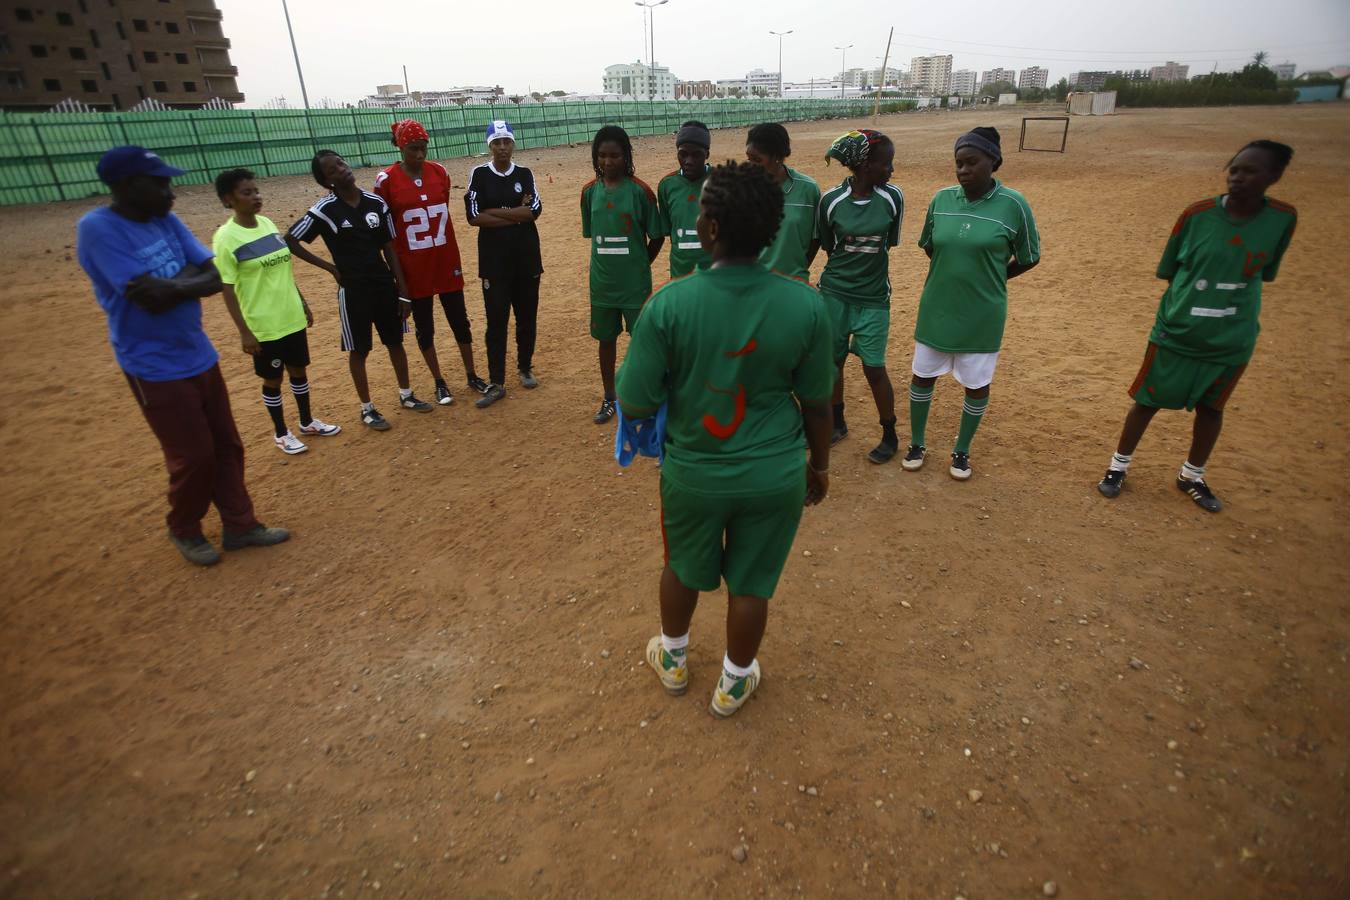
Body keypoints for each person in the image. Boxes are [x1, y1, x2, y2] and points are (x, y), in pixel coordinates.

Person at [617, 161, 834, 719]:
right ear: (772, 230)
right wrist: (820, 467)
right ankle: (734, 684)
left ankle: (672, 660)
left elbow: (636, 400)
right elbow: (817, 403)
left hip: (694, 473)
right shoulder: (806, 304)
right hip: (776, 473)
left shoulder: (668, 304)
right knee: (752, 583)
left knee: (682, 567)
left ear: (709, 229)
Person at [76, 146, 289, 566]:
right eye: (158, 183)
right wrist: (185, 283)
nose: (170, 191)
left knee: (226, 444)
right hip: (152, 364)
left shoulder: (164, 219)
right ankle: (184, 526)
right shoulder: (99, 229)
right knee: (193, 456)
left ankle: (240, 524)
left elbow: (210, 277)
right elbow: (147, 295)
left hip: (197, 352)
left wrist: (171, 286)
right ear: (125, 186)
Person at [1097, 140, 1297, 512]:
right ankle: (1117, 467)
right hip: (1178, 331)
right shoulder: (1197, 215)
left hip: (1232, 339)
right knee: (1146, 402)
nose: (1237, 177)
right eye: (1234, 169)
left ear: (1275, 176)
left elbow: (1265, 272)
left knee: (1212, 408)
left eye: (1250, 171)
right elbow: (1169, 269)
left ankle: (1192, 474)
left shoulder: (1283, 219)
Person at [904, 127, 1039, 480]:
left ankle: (961, 451)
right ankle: (917, 443)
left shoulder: (1014, 205)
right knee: (922, 377)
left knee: (976, 384)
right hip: (937, 307)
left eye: (971, 162)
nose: (963, 170)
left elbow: (1029, 256)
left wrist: (992, 278)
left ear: (993, 161)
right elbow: (930, 245)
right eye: (958, 163)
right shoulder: (941, 200)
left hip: (982, 313)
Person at [286, 150, 433, 431]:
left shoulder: (376, 203)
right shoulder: (324, 210)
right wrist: (329, 268)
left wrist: (402, 292)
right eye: (332, 171)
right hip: (353, 290)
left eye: (340, 163)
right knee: (359, 348)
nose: (341, 170)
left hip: (383, 286)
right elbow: (291, 240)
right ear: (327, 182)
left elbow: (389, 249)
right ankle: (367, 409)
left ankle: (406, 395)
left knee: (395, 342)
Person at [212, 168, 341, 454]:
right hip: (264, 325)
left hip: (290, 315)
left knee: (299, 370)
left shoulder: (268, 224)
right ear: (228, 200)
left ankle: (307, 421)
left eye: (256, 191)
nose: (256, 197)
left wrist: (302, 302)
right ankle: (282, 433)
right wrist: (245, 332)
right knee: (274, 379)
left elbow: (283, 271)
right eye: (247, 193)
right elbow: (228, 289)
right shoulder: (226, 238)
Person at [373, 119, 489, 407]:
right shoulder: (386, 180)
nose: (420, 155)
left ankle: (472, 373)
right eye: (413, 149)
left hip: (445, 259)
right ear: (401, 147)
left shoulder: (440, 172)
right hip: (414, 266)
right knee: (425, 326)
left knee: (459, 320)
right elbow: (384, 226)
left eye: (423, 148)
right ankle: (438, 380)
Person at [817, 129, 905, 463]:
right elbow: (829, 246)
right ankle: (837, 422)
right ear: (865, 165)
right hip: (835, 295)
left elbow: (889, 242)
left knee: (874, 369)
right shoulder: (831, 201)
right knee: (833, 362)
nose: (891, 170)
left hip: (873, 299)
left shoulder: (893, 198)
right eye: (887, 163)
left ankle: (890, 432)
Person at [580, 125, 663, 424]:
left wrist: (642, 265)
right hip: (602, 286)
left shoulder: (640, 191)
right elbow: (594, 236)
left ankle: (643, 398)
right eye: (602, 155)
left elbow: (657, 235)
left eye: (614, 155)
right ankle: (609, 397)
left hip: (634, 286)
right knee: (606, 340)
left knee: (642, 342)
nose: (607, 162)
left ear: (625, 156)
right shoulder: (589, 192)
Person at [463, 119, 544, 407]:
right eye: (496, 143)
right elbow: (473, 216)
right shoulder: (479, 175)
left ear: (513, 144)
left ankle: (525, 367)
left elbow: (533, 212)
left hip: (527, 259)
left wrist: (494, 212)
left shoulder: (525, 173)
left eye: (506, 141)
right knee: (496, 321)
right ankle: (496, 381)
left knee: (526, 318)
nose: (502, 148)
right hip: (494, 263)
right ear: (489, 146)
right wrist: (514, 211)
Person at [745, 122, 821, 282]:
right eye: (749, 158)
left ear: (778, 157)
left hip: (793, 283)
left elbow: (816, 238)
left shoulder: (808, 190)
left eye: (757, 160)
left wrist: (799, 270)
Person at [656, 120, 712, 278]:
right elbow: (669, 231)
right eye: (683, 154)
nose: (689, 161)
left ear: (707, 154)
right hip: (680, 276)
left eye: (696, 155)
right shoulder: (667, 185)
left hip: (716, 278)